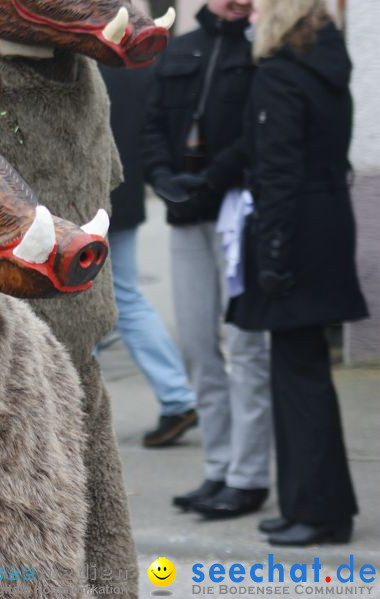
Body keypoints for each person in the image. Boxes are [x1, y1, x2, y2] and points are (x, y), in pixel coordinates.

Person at [229, 0, 368, 546]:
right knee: (301, 372)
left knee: (299, 378)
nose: (254, 10)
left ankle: (317, 513)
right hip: (328, 225)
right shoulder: (326, 66)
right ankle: (312, 507)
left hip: (298, 238)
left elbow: (279, 171)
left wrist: (275, 255)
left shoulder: (282, 74)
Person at [141, 0, 273, 519]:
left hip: (237, 214)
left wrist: (210, 180)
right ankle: (218, 469)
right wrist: (162, 179)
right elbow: (151, 126)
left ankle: (249, 475)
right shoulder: (181, 50)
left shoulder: (262, 51)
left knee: (246, 350)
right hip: (185, 216)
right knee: (198, 347)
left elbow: (254, 134)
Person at [100, 64, 198, 448]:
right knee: (122, 296)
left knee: (108, 299)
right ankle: (177, 397)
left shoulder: (78, 57)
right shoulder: (131, 62)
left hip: (88, 201)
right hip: (124, 194)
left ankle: (177, 397)